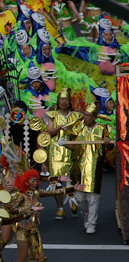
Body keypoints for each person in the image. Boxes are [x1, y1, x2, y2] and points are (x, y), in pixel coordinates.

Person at [65, 102, 112, 234]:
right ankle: (86, 216)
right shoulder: (78, 127)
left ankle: (92, 222)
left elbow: (109, 147)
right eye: (84, 115)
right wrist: (64, 144)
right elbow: (71, 144)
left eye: (88, 115)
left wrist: (107, 142)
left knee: (93, 197)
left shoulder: (102, 128)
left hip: (94, 167)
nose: (85, 117)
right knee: (80, 198)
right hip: (78, 167)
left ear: (94, 117)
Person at [44, 88, 82, 219]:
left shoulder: (76, 116)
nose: (64, 102)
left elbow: (79, 134)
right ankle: (60, 208)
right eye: (61, 99)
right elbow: (49, 132)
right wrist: (60, 127)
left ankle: (73, 201)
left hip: (71, 150)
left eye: (66, 99)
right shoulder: (52, 115)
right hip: (55, 151)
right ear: (58, 101)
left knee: (73, 179)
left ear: (69, 101)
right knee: (57, 182)